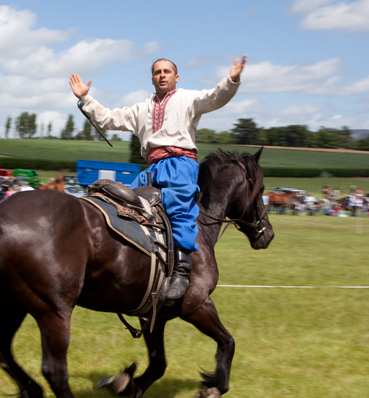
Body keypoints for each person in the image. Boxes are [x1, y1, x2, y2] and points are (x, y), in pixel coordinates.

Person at [70, 55, 247, 300]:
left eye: (166, 71)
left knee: (178, 210)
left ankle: (182, 271)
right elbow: (108, 118)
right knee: (120, 203)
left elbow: (215, 97)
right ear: (152, 79)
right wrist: (85, 99)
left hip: (180, 165)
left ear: (176, 77)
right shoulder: (141, 108)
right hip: (151, 169)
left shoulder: (188, 99)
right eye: (157, 72)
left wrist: (232, 80)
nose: (162, 75)